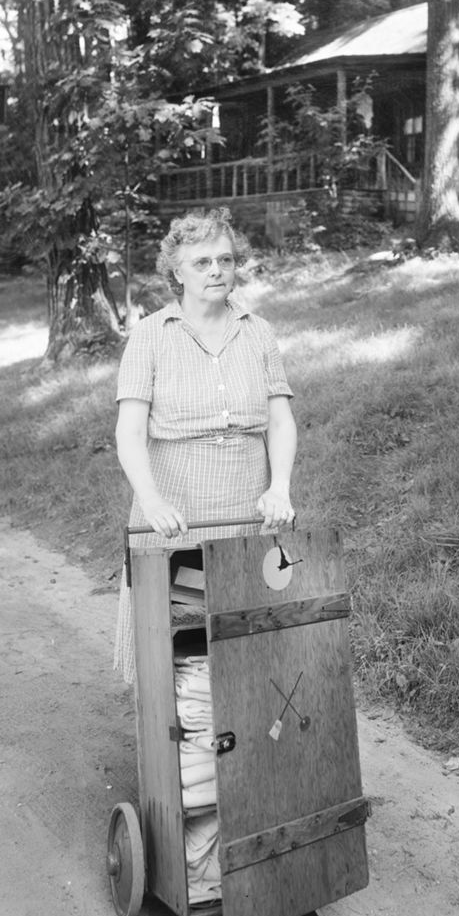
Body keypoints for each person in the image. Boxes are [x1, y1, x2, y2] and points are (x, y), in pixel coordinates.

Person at [113, 207, 297, 684]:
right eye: (202, 262)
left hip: (245, 509)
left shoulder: (258, 331)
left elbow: (280, 421)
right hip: (176, 512)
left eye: (225, 259)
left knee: (246, 629)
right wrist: (152, 502)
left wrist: (279, 489)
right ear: (176, 272)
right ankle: (180, 748)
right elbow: (129, 433)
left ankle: (247, 739)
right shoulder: (150, 336)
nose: (217, 270)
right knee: (179, 642)